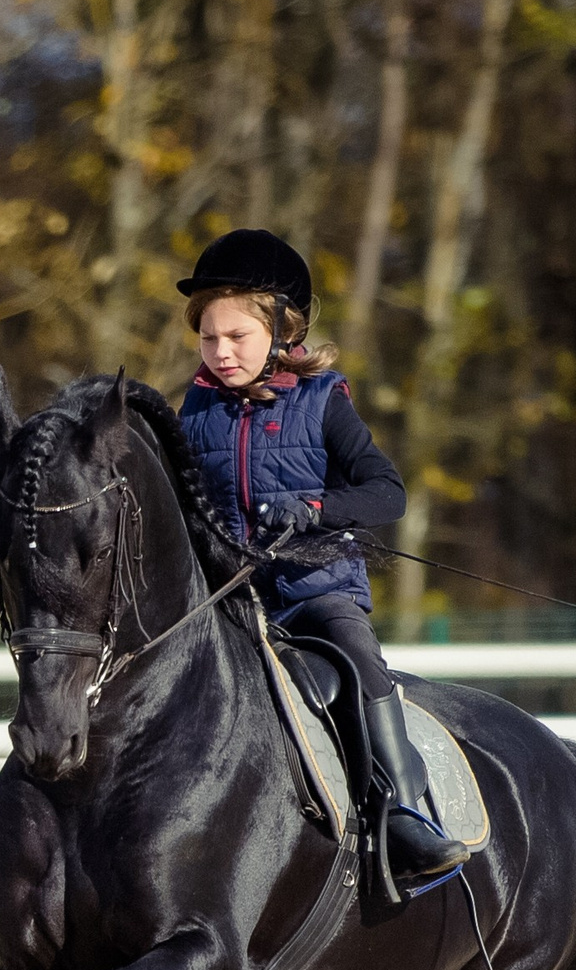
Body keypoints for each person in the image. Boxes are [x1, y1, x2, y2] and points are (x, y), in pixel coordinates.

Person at [172, 227, 467, 888]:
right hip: (228, 598)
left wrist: (314, 509)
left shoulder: (322, 400)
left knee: (359, 657)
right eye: (208, 338)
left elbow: (387, 493)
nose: (220, 352)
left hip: (314, 592)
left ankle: (403, 813)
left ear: (282, 330)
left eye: (236, 337)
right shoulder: (195, 410)